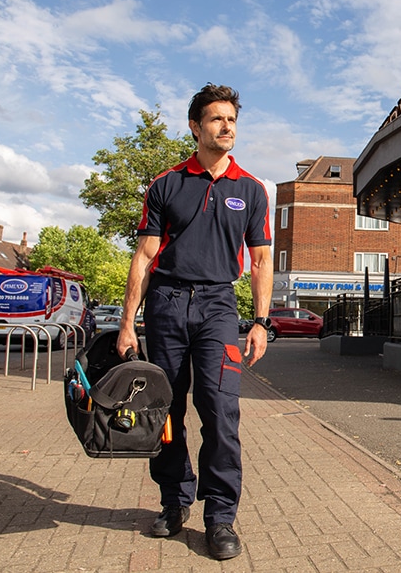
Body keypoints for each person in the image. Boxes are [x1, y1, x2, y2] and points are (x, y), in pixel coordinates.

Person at [116, 83, 273, 561]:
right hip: (166, 305)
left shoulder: (250, 190)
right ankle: (173, 501)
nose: (227, 127)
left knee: (221, 411)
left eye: (232, 120)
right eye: (217, 119)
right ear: (195, 126)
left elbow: (262, 260)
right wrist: (128, 324)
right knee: (165, 411)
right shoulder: (166, 185)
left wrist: (261, 321)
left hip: (218, 308)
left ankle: (220, 516)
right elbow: (143, 257)